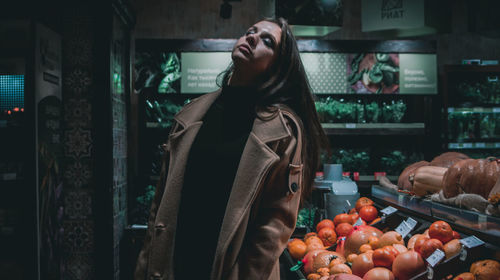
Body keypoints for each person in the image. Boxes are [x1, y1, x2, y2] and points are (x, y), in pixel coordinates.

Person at [135, 17, 329, 280]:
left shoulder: (283, 130)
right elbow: (159, 205)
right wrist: (145, 264)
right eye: (251, 31)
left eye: (267, 41)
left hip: (232, 271)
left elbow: (275, 223)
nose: (251, 38)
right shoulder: (191, 115)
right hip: (174, 264)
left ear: (278, 66)